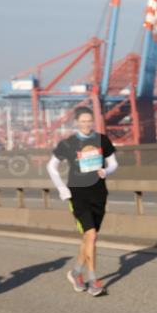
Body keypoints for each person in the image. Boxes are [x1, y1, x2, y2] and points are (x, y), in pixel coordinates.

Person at [47, 107, 118, 297]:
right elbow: (51, 166)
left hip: (99, 193)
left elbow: (114, 163)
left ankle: (76, 273)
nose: (86, 124)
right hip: (78, 195)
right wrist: (62, 188)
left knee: (89, 237)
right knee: (92, 236)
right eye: (83, 121)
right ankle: (94, 280)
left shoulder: (102, 139)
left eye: (89, 121)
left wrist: (106, 171)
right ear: (77, 123)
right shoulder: (69, 143)